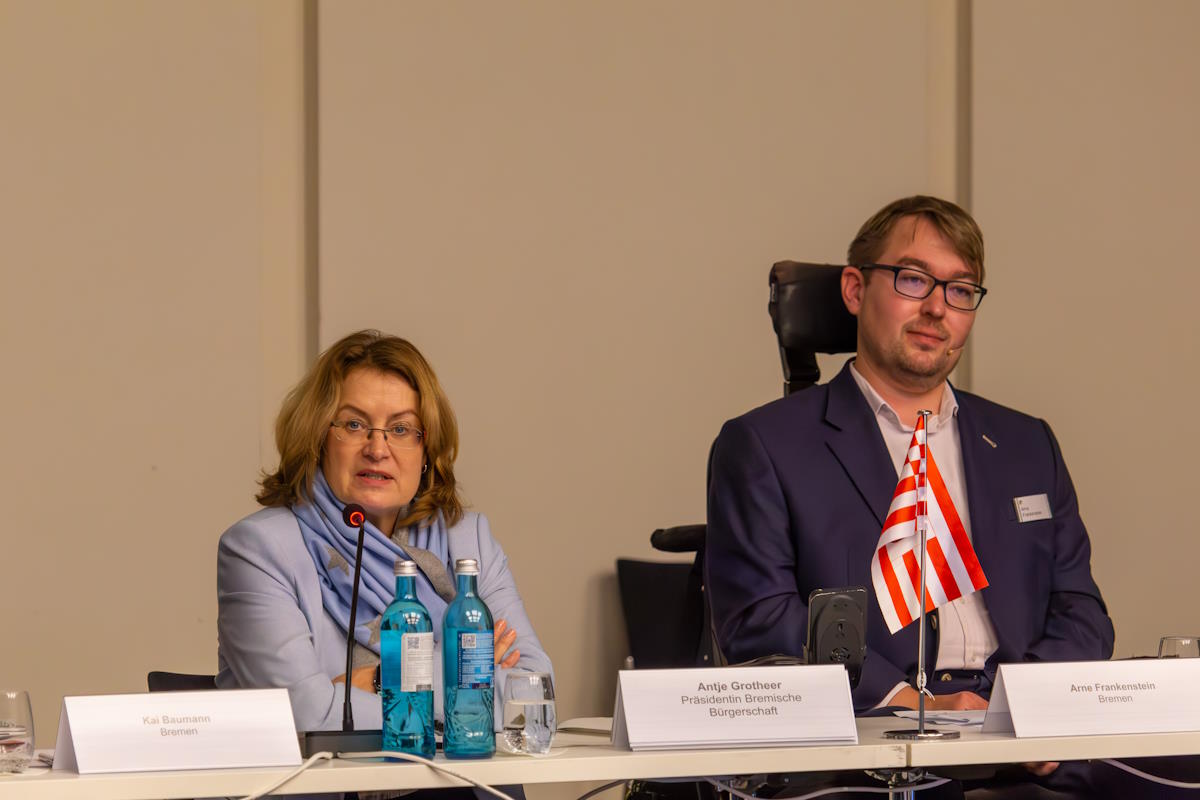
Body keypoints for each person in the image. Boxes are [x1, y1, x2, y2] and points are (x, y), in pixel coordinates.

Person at [706, 196, 1113, 792]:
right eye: (913, 278)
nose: (936, 309)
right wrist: (903, 702)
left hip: (1024, 733)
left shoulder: (1029, 443)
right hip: (870, 741)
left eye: (960, 290)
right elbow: (760, 620)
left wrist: (1022, 708)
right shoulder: (765, 444)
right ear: (854, 289)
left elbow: (1082, 611)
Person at [217, 329, 552, 739]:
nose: (377, 449)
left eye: (401, 429)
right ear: (318, 439)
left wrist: (367, 681)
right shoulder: (259, 550)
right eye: (355, 424)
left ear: (426, 452)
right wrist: (460, 672)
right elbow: (307, 717)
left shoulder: (468, 541)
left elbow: (533, 698)